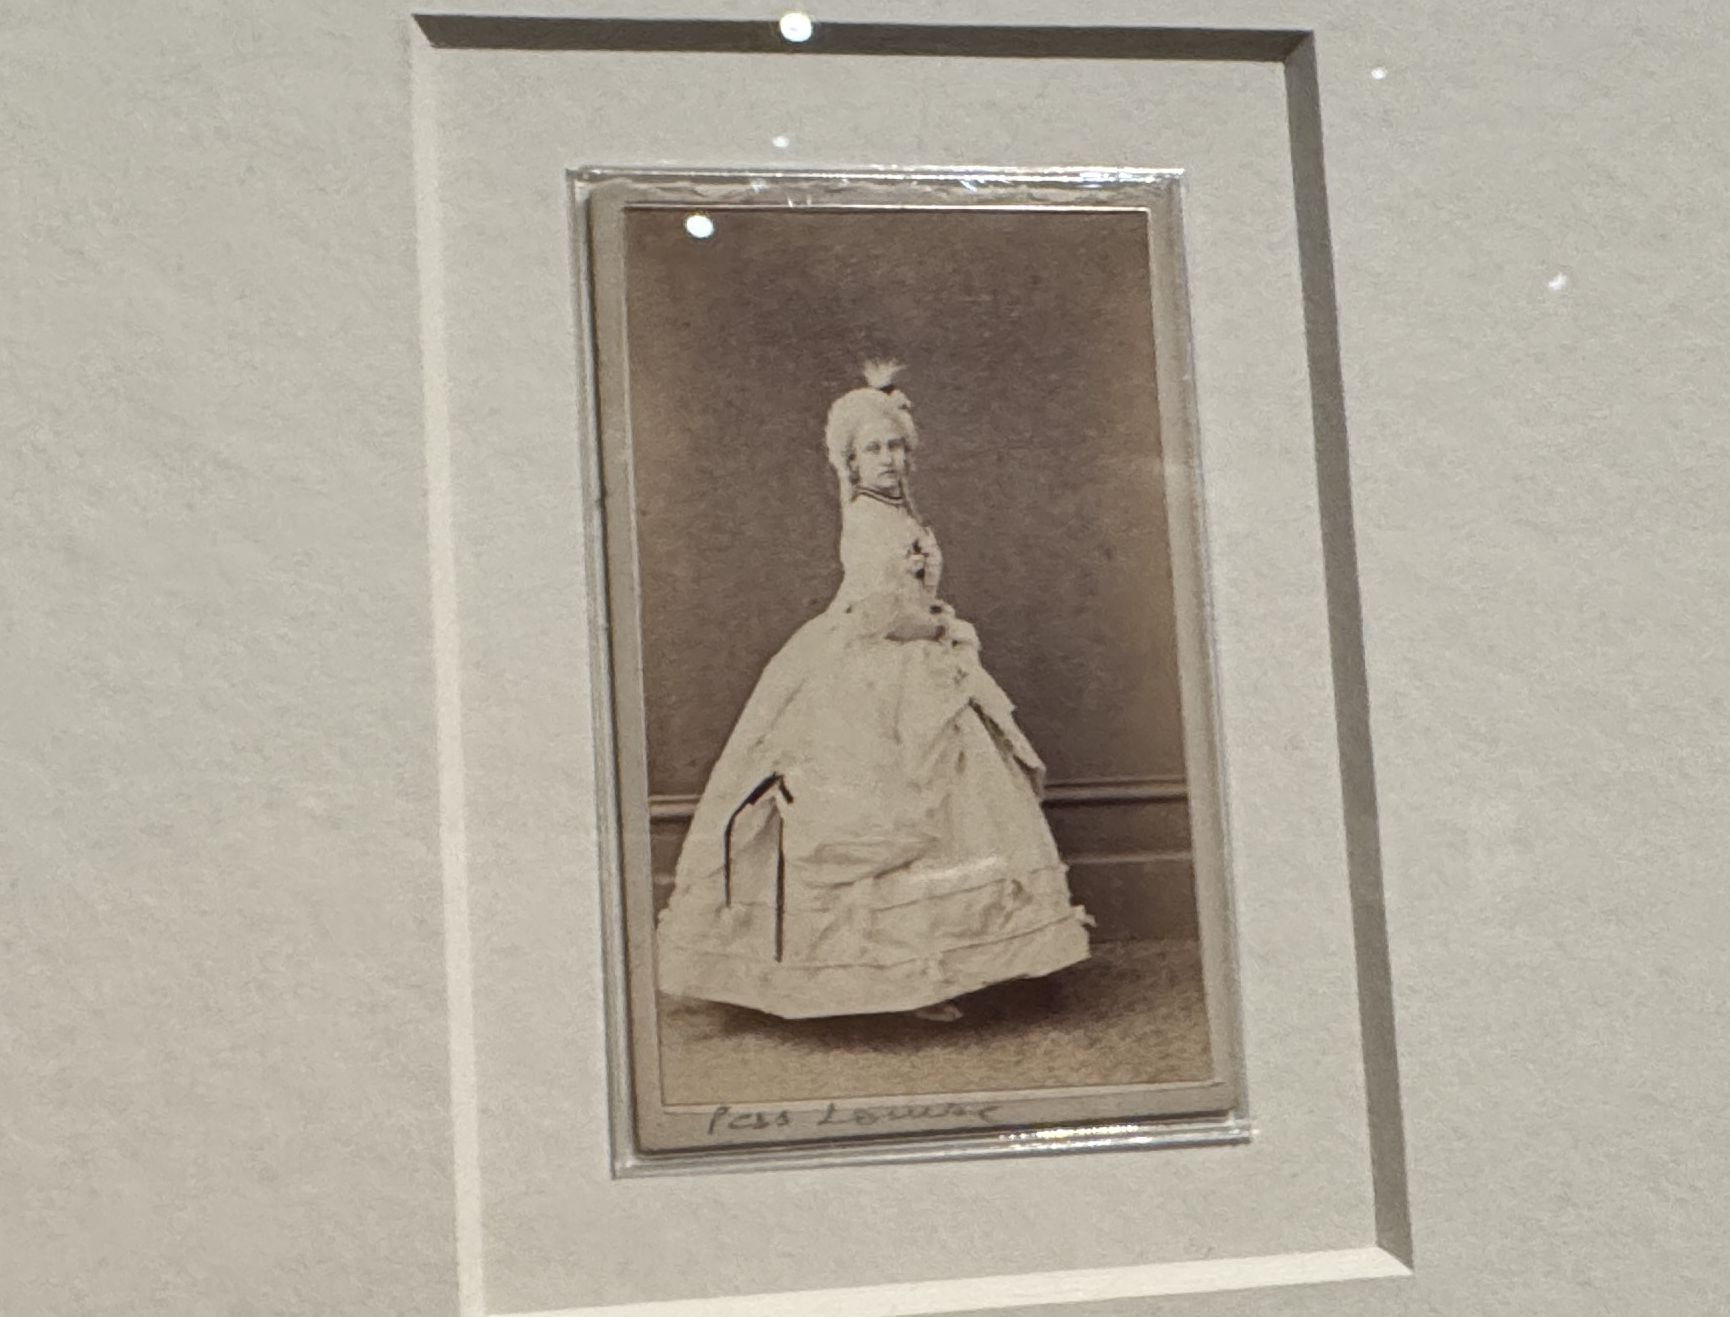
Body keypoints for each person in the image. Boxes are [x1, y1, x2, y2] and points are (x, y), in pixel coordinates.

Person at [655, 362, 1091, 1022]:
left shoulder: (898, 512)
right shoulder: (866, 520)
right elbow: (878, 614)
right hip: (876, 670)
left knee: (951, 802)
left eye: (894, 446)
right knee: (888, 804)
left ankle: (933, 966)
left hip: (917, 663)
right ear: (850, 462)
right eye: (872, 450)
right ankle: (891, 975)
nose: (887, 459)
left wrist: (933, 623)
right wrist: (938, 625)